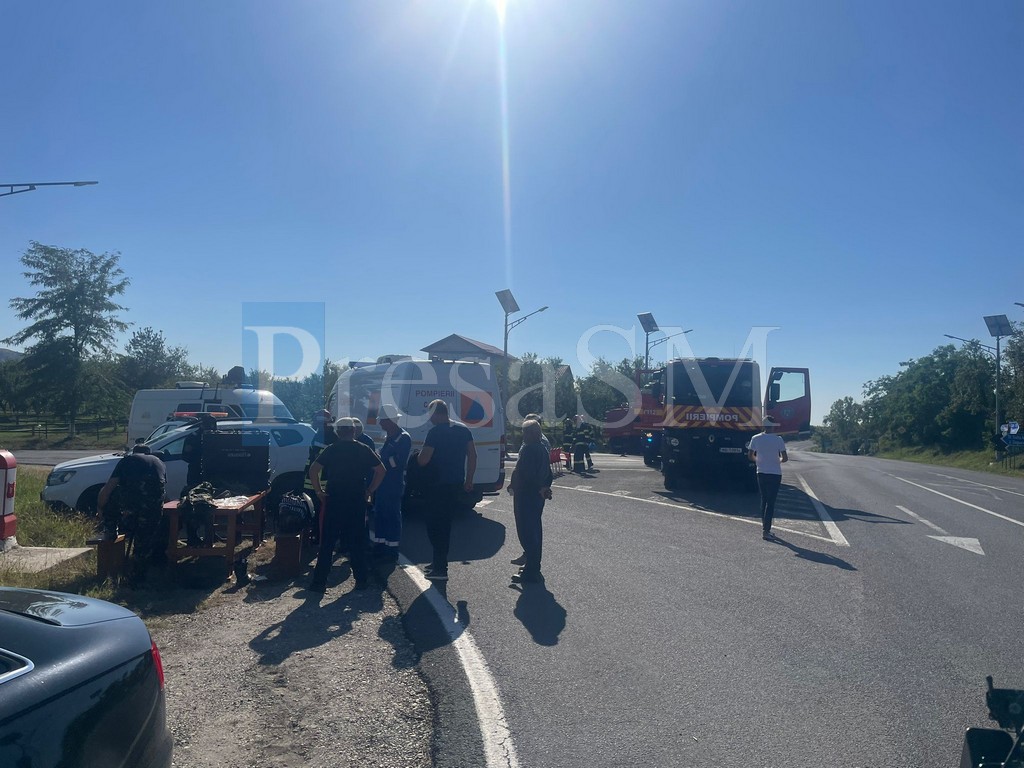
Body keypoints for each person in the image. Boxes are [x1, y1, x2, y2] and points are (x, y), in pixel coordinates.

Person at [308, 417, 385, 592]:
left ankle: (319, 583)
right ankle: (361, 580)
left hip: (334, 498)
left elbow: (314, 470)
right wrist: (370, 490)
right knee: (357, 540)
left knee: (328, 541)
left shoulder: (332, 449)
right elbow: (381, 470)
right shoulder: (363, 449)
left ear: (338, 432)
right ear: (353, 431)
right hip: (356, 499)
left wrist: (319, 491)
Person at [416, 399, 476, 582]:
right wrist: (469, 479)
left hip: (436, 485)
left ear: (435, 413)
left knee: (435, 525)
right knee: (445, 524)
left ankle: (440, 567)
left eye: (430, 415)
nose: (429, 419)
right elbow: (472, 455)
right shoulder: (463, 430)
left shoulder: (435, 432)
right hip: (455, 483)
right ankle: (437, 561)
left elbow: (423, 460)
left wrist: (417, 456)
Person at [97, 444, 167, 578]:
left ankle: (110, 530)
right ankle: (139, 575)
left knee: (111, 494)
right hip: (153, 512)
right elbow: (162, 491)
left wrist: (100, 508)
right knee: (144, 541)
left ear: (134, 453)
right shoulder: (159, 462)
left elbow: (109, 488)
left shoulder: (127, 461)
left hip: (132, 507)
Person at [508, 420, 553, 584]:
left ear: (533, 433)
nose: (523, 436)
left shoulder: (529, 450)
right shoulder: (542, 448)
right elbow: (548, 473)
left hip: (527, 495)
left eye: (525, 432)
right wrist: (545, 487)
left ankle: (531, 571)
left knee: (527, 532)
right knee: (534, 531)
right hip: (536, 496)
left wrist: (515, 485)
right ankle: (533, 566)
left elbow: (526, 475)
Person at [371, 404, 412, 560]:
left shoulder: (403, 437)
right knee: (380, 514)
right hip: (382, 483)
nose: (380, 423)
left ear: (390, 420)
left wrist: (382, 461)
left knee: (392, 516)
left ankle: (392, 550)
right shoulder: (389, 436)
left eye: (382, 420)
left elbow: (399, 461)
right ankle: (380, 546)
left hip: (393, 484)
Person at [747, 416, 789, 539]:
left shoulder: (755, 438)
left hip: (761, 472)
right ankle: (766, 530)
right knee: (771, 502)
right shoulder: (778, 439)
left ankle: (765, 527)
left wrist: (758, 460)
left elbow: (750, 455)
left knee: (764, 499)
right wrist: (778, 460)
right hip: (775, 473)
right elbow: (785, 458)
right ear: (773, 426)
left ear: (763, 425)